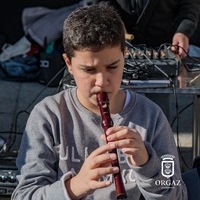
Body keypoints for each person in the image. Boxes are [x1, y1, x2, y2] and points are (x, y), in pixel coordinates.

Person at [11, 4, 187, 200]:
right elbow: (24, 195)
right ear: (68, 64)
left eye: (112, 66)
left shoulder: (151, 116)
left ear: (124, 56)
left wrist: (147, 166)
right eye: (89, 70)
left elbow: (177, 195)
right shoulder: (48, 116)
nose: (102, 82)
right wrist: (74, 187)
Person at [95, 0, 200, 58]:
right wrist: (113, 19)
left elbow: (189, 6)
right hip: (119, 48)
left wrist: (183, 31)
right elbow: (100, 2)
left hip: (164, 49)